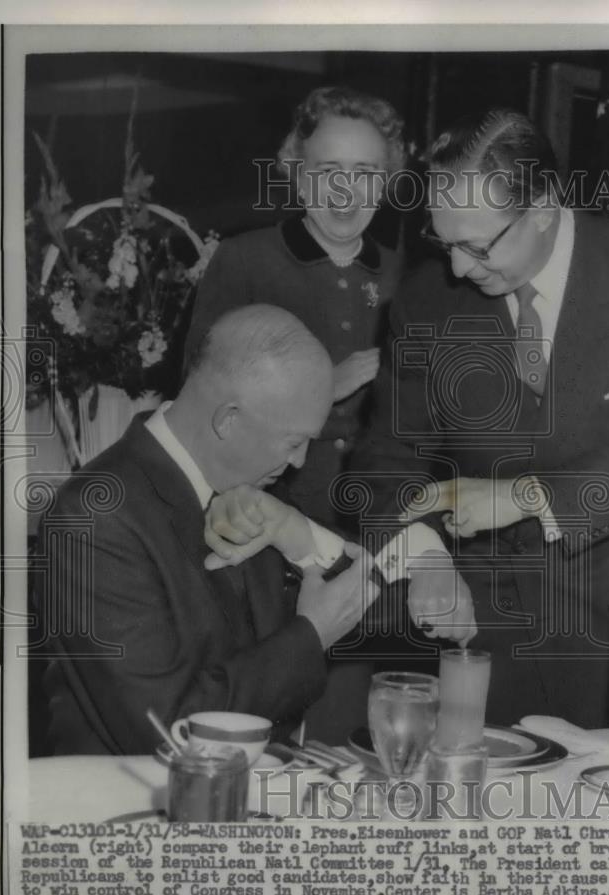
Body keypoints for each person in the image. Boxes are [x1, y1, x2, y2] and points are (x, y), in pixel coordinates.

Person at [344, 107, 609, 728]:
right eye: (445, 242)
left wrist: (524, 495)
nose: (459, 269)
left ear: (544, 207)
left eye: (476, 245)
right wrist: (425, 555)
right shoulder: (424, 300)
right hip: (478, 635)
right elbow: (385, 461)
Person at [38, 304, 474, 755]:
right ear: (228, 419)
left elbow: (370, 611)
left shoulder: (256, 481)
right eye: (294, 442)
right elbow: (165, 728)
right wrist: (312, 635)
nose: (301, 461)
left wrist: (426, 554)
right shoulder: (94, 516)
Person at [184, 85, 406, 526]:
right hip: (266, 513)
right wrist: (324, 388)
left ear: (384, 184)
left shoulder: (410, 274)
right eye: (328, 170)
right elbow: (199, 405)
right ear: (299, 176)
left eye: (364, 172)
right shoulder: (245, 261)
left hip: (381, 519)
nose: (346, 190)